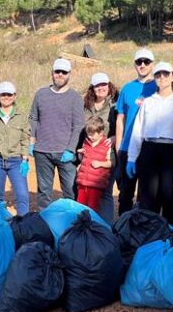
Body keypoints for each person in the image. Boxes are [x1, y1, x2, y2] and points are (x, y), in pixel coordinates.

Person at [126, 62, 173, 228]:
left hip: (171, 152)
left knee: (170, 199)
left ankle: (171, 241)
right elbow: (138, 131)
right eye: (158, 75)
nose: (162, 78)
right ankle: (148, 240)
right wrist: (132, 158)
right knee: (148, 198)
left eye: (166, 74)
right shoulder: (148, 102)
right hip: (149, 151)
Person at [29, 58, 85, 210]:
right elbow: (33, 117)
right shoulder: (41, 94)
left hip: (65, 152)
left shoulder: (75, 98)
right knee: (44, 193)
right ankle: (44, 225)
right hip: (42, 151)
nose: (60, 75)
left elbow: (79, 125)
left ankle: (72, 224)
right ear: (52, 73)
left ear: (69, 74)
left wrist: (70, 149)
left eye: (64, 72)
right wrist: (32, 140)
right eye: (57, 72)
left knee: (70, 192)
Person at [115, 48, 157, 216]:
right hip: (127, 148)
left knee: (146, 194)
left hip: (149, 148)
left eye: (146, 62)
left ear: (152, 65)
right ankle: (122, 228)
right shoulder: (127, 88)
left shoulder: (158, 87)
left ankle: (143, 230)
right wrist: (119, 146)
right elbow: (120, 118)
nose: (142, 65)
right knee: (125, 193)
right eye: (139, 62)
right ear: (134, 65)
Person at [0, 81, 31, 216]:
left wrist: (25, 160)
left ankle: (23, 226)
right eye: (3, 94)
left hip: (16, 161)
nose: (6, 97)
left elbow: (25, 138)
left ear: (14, 96)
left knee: (22, 196)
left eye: (9, 94)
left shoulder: (22, 116)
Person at [80, 72, 118, 222]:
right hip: (88, 154)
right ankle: (86, 226)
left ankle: (106, 227)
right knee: (86, 190)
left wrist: (115, 136)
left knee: (106, 193)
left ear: (109, 86)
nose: (101, 88)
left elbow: (124, 123)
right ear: (92, 88)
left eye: (104, 84)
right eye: (97, 85)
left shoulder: (116, 104)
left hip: (107, 155)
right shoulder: (86, 106)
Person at [75, 117, 114, 212]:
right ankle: (80, 225)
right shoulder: (86, 143)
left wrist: (100, 163)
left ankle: (91, 225)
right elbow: (83, 159)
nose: (89, 137)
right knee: (80, 206)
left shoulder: (107, 145)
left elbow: (111, 163)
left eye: (92, 135)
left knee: (92, 208)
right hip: (83, 182)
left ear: (101, 133)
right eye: (88, 134)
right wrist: (81, 155)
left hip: (95, 185)